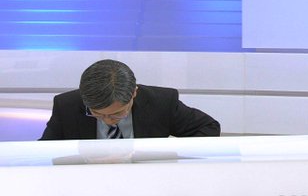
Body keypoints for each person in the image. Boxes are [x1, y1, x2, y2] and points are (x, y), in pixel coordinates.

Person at [39, 59, 220, 140]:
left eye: (117, 114)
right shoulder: (66, 106)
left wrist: (166, 155)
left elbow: (209, 128)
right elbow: (45, 152)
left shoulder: (162, 102)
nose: (108, 121)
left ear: (134, 93)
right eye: (97, 114)